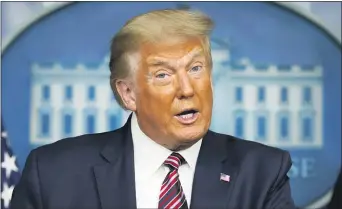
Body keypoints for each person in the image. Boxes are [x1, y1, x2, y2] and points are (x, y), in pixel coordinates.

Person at [11, 9, 295, 209]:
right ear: (128, 93)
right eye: (163, 75)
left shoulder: (262, 172)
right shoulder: (53, 174)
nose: (187, 89)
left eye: (196, 68)